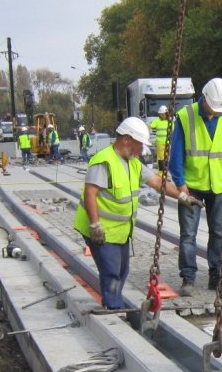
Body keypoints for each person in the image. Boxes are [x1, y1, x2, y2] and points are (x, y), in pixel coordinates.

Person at [74, 117, 194, 310]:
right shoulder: (103, 161)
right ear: (127, 140)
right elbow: (90, 193)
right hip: (100, 229)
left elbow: (157, 182)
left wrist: (181, 196)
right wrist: (95, 225)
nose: (142, 151)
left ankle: (115, 301)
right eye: (140, 145)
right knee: (111, 271)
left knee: (122, 270)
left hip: (120, 230)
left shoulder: (133, 163)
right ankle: (114, 307)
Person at [168, 77, 222, 297]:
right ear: (205, 99)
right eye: (215, 108)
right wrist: (180, 184)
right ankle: (188, 278)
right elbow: (177, 154)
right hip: (192, 186)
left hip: (219, 184)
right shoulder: (186, 117)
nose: (218, 112)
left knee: (219, 232)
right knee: (188, 234)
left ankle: (217, 277)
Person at [151, 105, 172, 171]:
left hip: (167, 143)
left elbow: (173, 130)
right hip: (160, 143)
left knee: (167, 159)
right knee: (161, 159)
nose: (162, 116)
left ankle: (166, 173)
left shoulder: (169, 121)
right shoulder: (156, 121)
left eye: (163, 114)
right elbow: (150, 126)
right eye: (160, 114)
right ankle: (161, 174)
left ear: (166, 114)